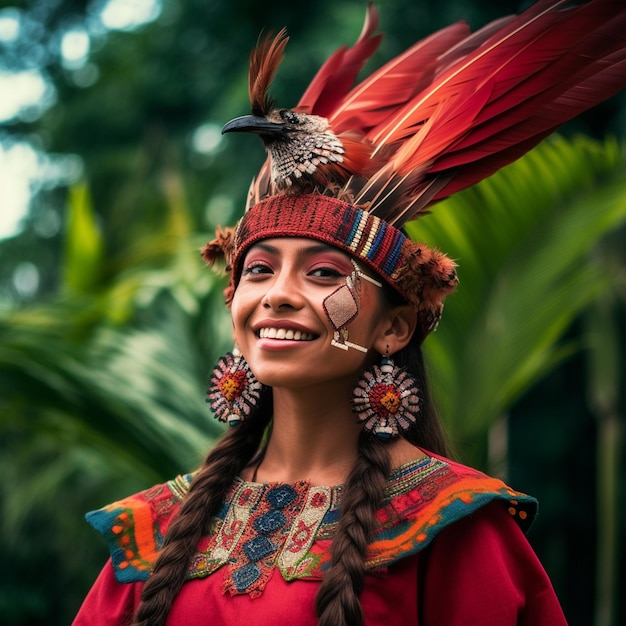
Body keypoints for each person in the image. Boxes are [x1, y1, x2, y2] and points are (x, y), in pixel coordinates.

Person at [74, 1, 625, 624]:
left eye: (323, 273)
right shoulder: (152, 531)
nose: (277, 294)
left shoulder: (455, 524)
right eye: (258, 270)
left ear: (393, 327)